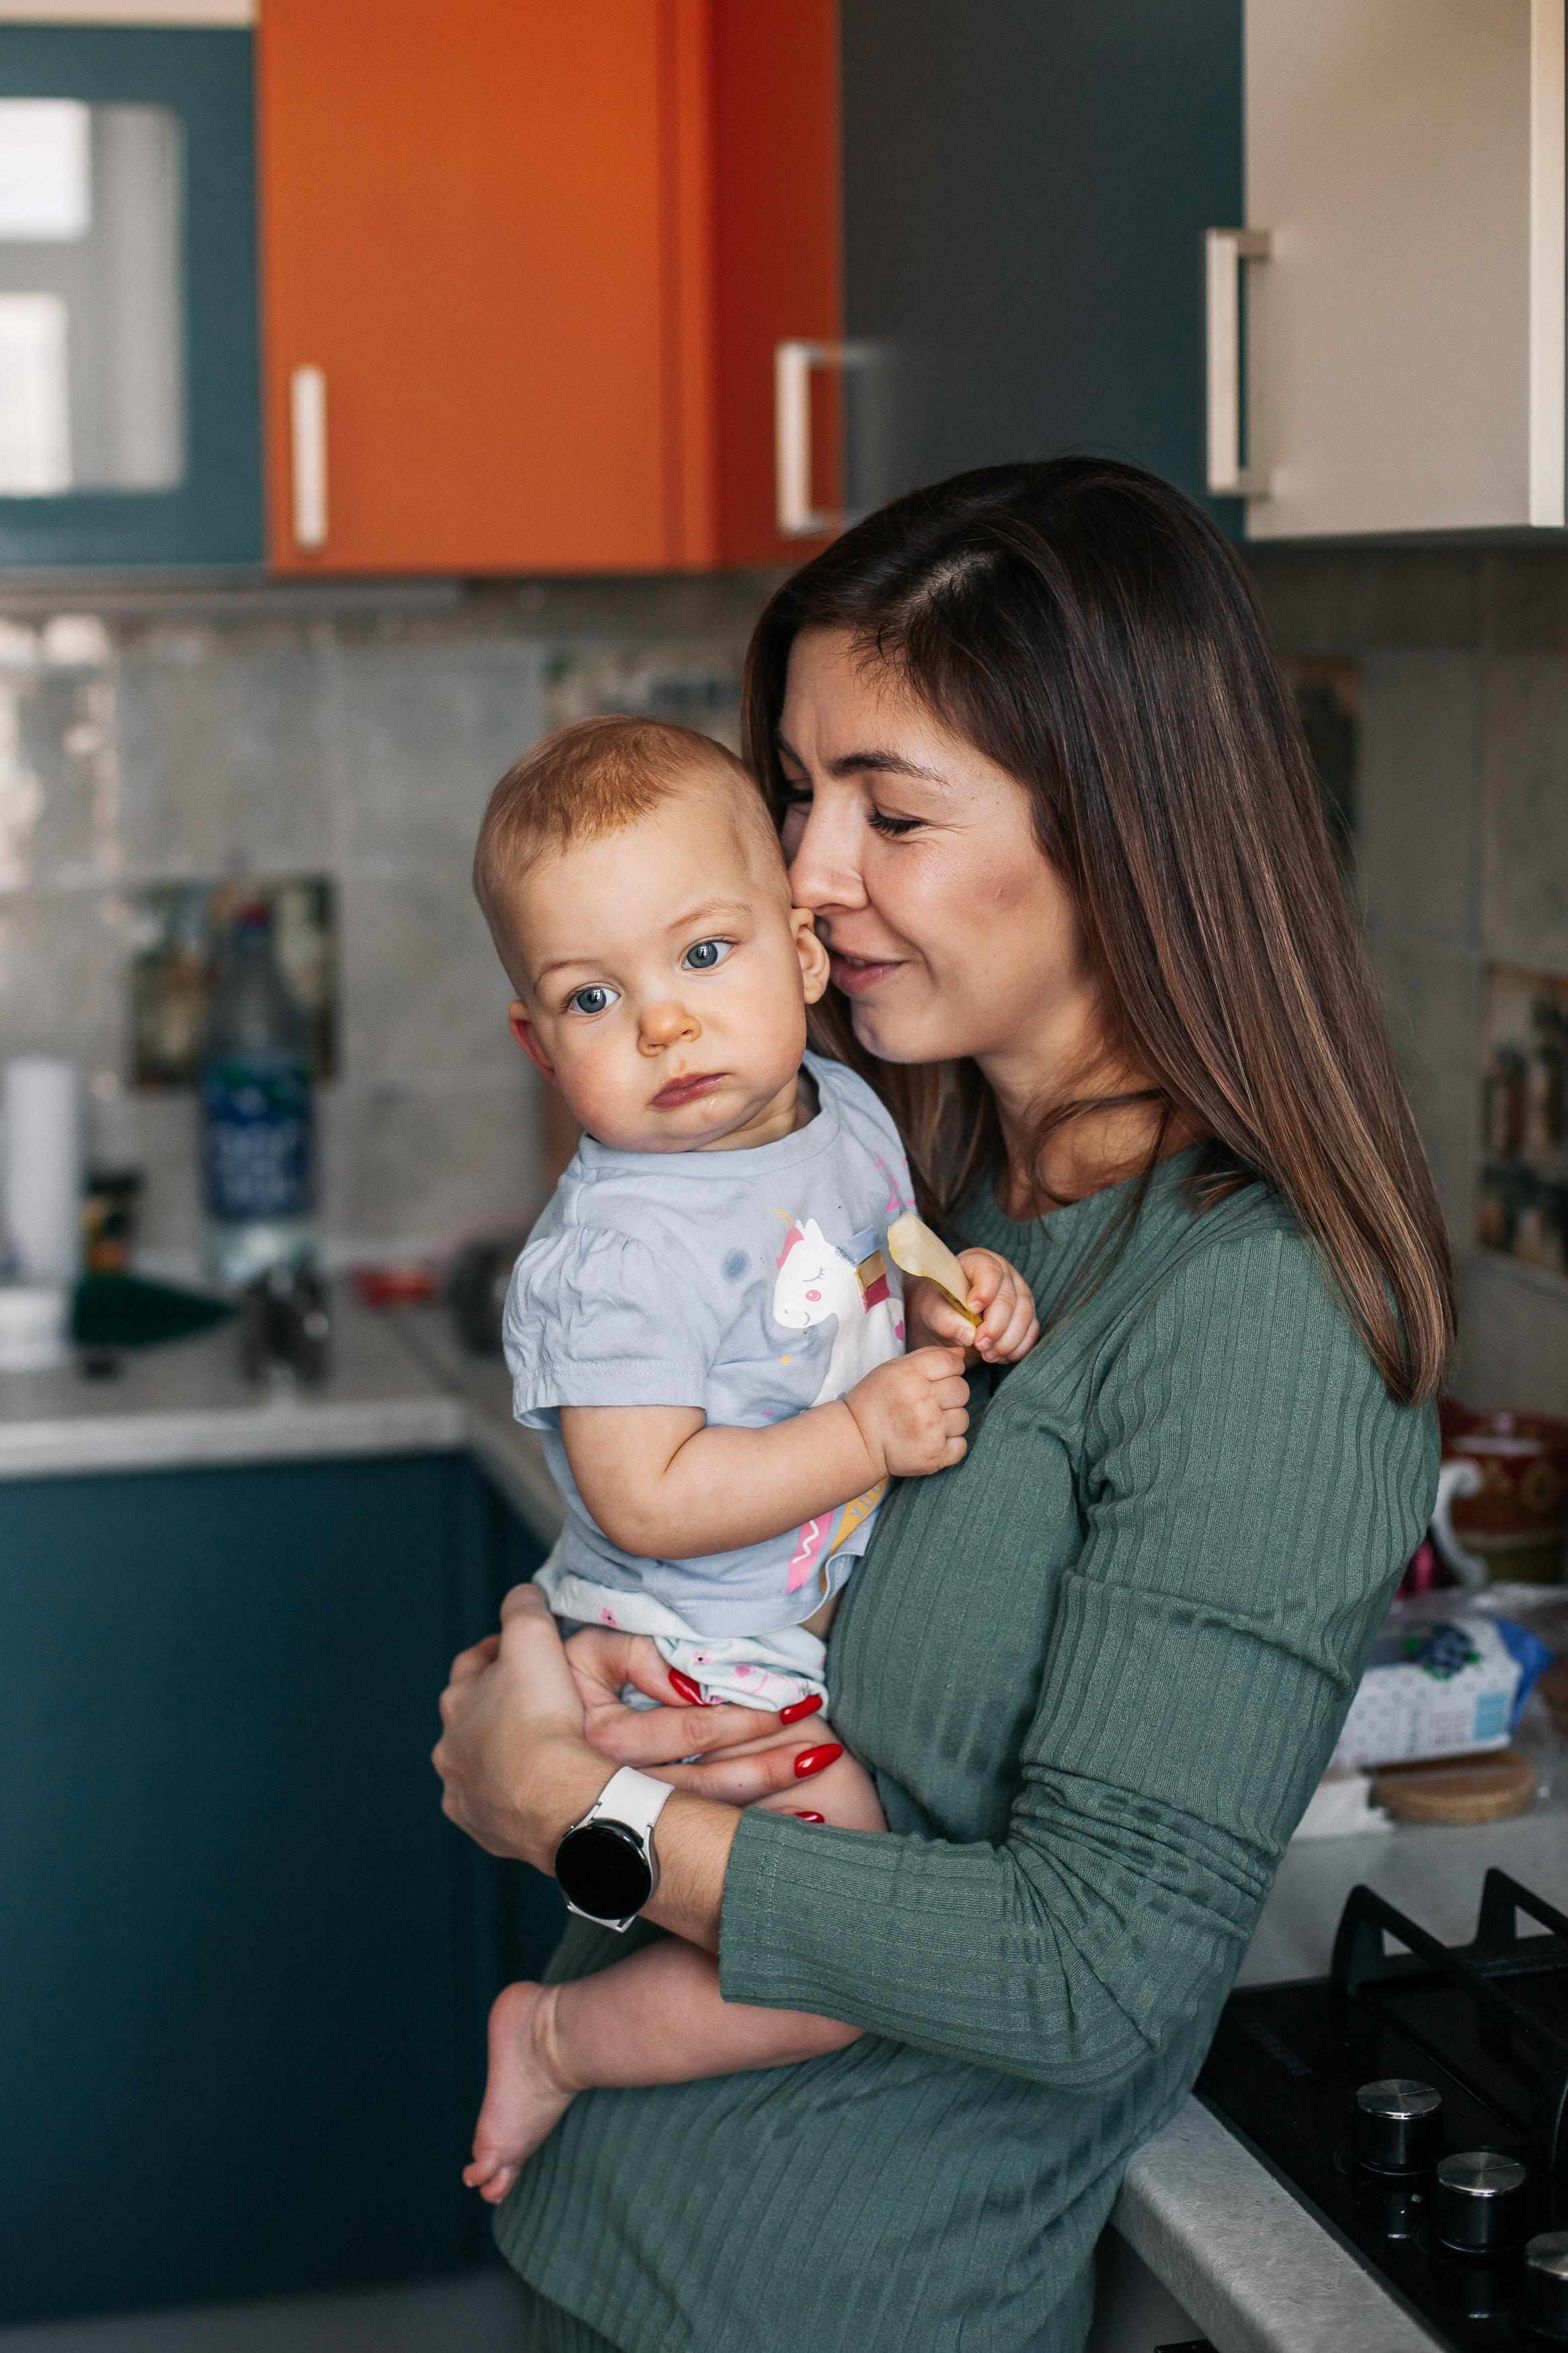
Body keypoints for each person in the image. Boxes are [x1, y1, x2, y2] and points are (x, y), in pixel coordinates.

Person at [434, 458, 1452, 2353]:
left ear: (1118, 826)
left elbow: (1088, 1970)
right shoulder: (904, 1162)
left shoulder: (1264, 1314)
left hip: (839, 2301)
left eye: (885, 811)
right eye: (800, 793)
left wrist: (574, 1812)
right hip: (600, 2237)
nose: (807, 874)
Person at [460, 714, 1038, 2199]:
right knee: (841, 1954)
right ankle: (560, 2038)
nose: (663, 1024)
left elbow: (868, 1268)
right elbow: (645, 1499)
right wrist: (861, 1436)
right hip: (687, 1645)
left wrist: (950, 1286)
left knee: (835, 1928)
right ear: (535, 1042)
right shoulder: (617, 1253)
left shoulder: (840, 1111)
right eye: (595, 995)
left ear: (801, 953)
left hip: (777, 1615)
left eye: (702, 957)